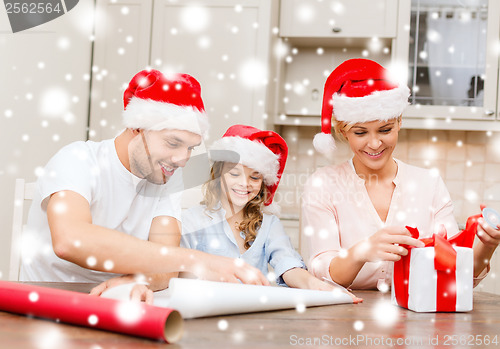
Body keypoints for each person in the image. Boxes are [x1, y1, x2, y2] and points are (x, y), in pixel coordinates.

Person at [20, 69, 269, 289]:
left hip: (116, 299)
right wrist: (194, 259)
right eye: (173, 143)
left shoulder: (166, 177)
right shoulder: (78, 159)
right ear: (136, 128)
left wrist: (141, 280)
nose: (183, 159)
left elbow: (166, 264)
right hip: (49, 301)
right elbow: (70, 240)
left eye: (191, 148)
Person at [92, 125, 361, 303]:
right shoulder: (192, 221)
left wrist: (324, 290)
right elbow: (169, 269)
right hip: (202, 313)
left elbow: (289, 268)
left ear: (262, 183)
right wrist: (133, 283)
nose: (244, 184)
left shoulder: (270, 225)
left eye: (255, 178)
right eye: (234, 174)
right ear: (218, 174)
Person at [301, 58, 499, 290]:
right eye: (360, 132)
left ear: (399, 122)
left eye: (385, 130)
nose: (374, 143)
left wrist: (487, 246)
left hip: (417, 317)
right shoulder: (323, 184)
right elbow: (323, 272)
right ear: (344, 132)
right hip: (344, 317)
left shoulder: (429, 184)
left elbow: (453, 272)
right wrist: (361, 252)